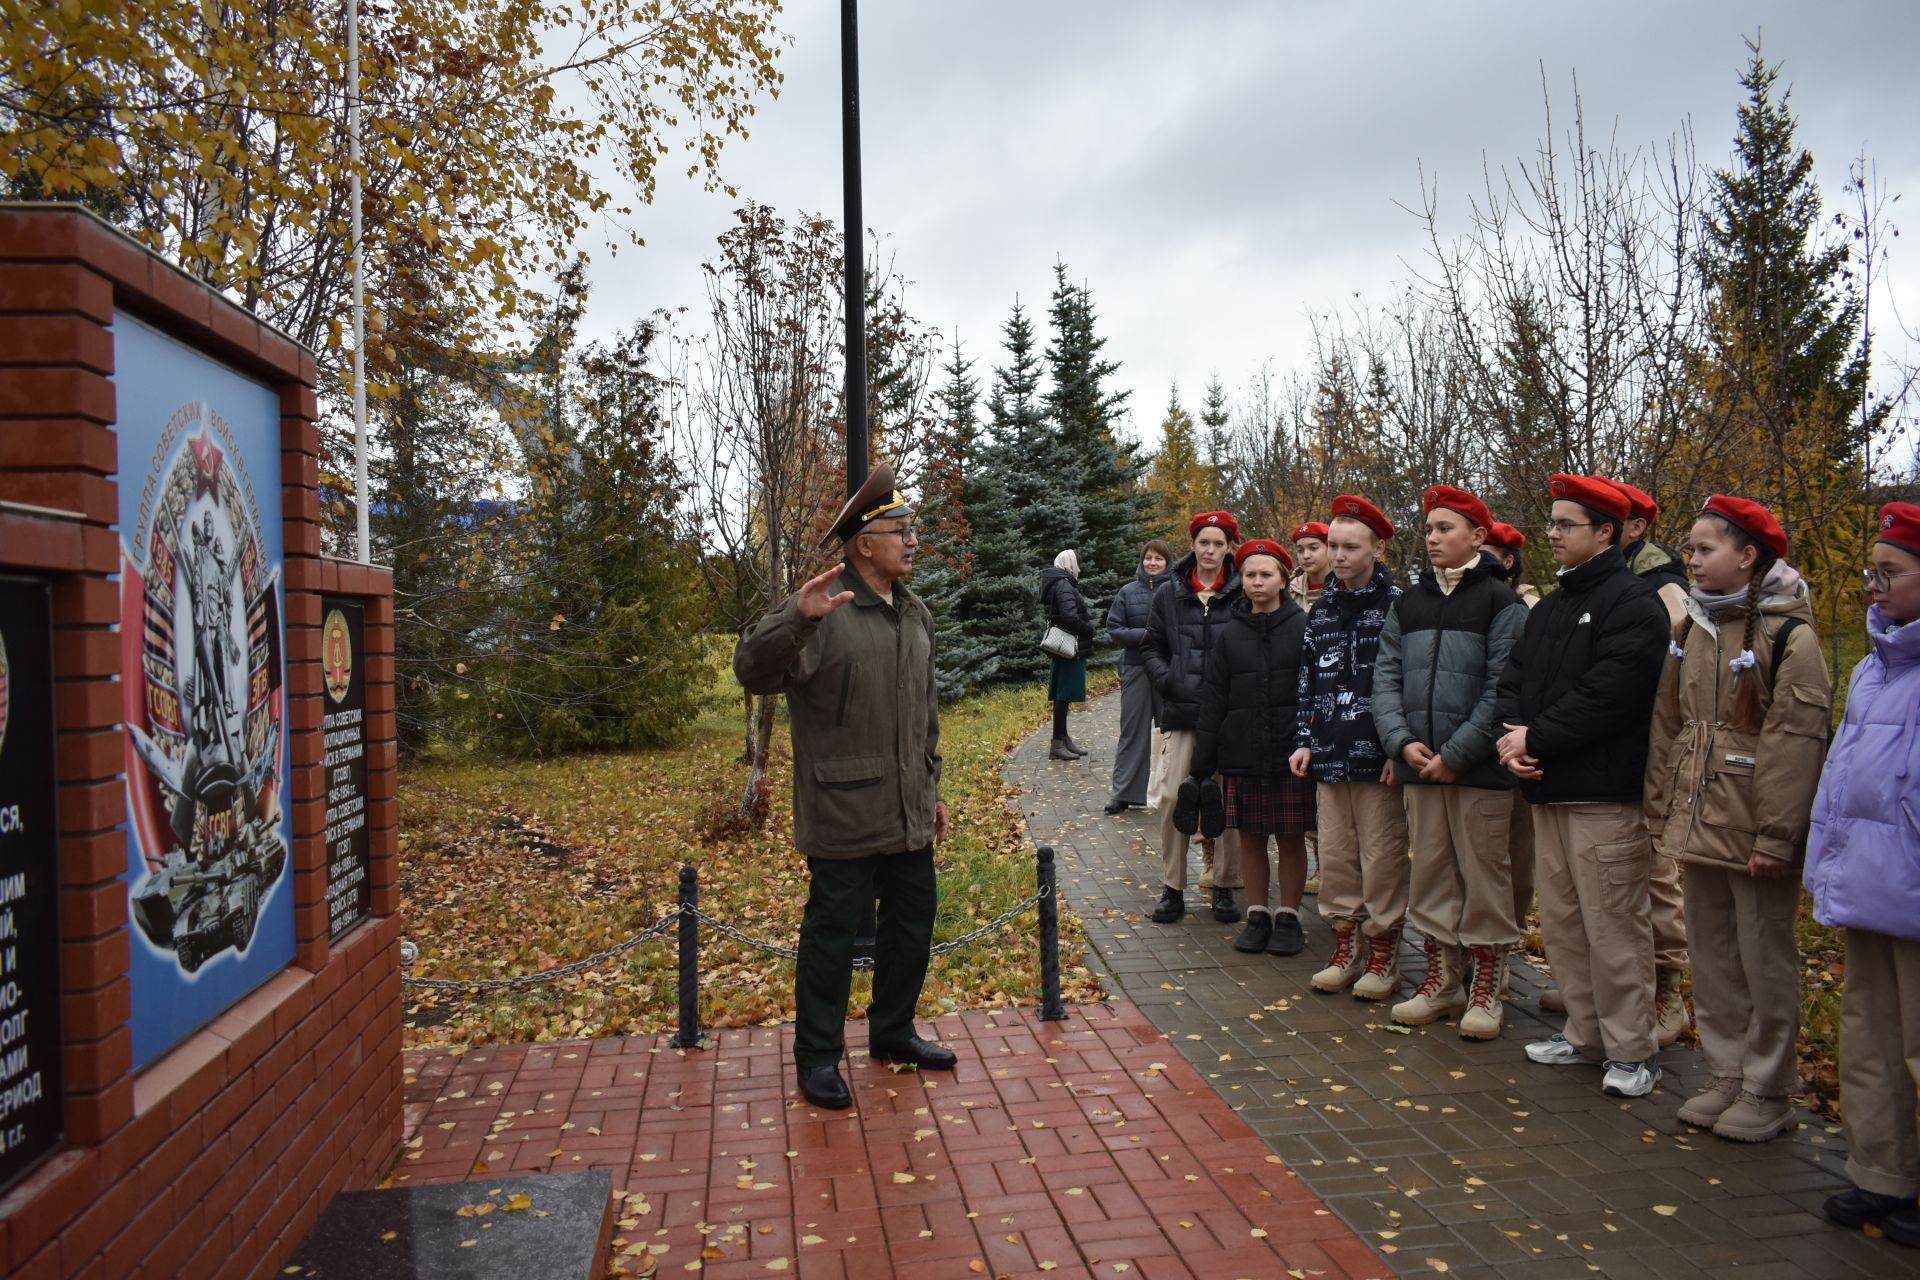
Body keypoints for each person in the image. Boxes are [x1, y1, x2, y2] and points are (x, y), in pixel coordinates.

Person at [733, 464, 952, 1111]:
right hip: (843, 811)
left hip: (909, 808)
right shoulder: (826, 610)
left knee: (911, 930)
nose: (913, 540)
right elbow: (752, 670)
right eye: (900, 530)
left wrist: (933, 791)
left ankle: (892, 1032)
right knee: (831, 941)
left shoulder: (916, 615)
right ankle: (819, 1057)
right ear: (864, 544)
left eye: (913, 529)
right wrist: (794, 619)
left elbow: (926, 716)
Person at [1645, 495, 1829, 1143]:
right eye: (1690, 548)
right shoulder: (1694, 626)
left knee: (1763, 960)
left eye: (1704, 548)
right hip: (1699, 824)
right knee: (1715, 957)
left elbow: (1796, 743)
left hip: (1754, 833)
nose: (1690, 559)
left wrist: (1777, 836)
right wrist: (1660, 811)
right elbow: (1670, 725)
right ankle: (1726, 1073)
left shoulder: (1790, 636)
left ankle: (1768, 1087)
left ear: (1748, 556)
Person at [1495, 474, 1669, 1098]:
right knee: (1566, 923)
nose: (1553, 533)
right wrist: (1510, 739)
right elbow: (1513, 680)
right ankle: (1586, 1035)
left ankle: (1633, 1051)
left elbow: (1611, 695)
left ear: (1606, 532)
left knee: (1613, 924)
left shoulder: (1634, 603)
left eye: (1566, 524)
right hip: (1547, 786)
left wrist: (1532, 737)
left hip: (1603, 795)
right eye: (1552, 523)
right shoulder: (1553, 606)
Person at [1373, 485, 1528, 1038]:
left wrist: (1458, 754)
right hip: (1420, 765)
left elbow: (1504, 687)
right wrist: (1400, 740)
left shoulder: (1502, 604)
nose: (1433, 538)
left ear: (1478, 537)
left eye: (1446, 529)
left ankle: (1488, 984)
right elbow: (1386, 677)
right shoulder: (1407, 604)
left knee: (1485, 875)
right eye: (1430, 529)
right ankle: (1442, 980)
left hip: (1478, 771)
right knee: (1433, 872)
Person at [1806, 501, 1920, 1244]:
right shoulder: (1876, 669)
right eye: (1872, 572)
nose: (1875, 588)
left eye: (1892, 573)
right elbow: (1842, 780)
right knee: (1872, 1036)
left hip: (1911, 885)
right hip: (1870, 886)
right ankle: (1883, 1173)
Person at [1291, 496, 1409, 999]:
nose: (1337, 556)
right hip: (1329, 753)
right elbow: (1308, 680)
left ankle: (1383, 954)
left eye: (1349, 547)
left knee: (1381, 857)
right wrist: (1303, 739)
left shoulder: (1401, 606)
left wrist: (1398, 750)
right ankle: (1345, 945)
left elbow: (1407, 683)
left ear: (1378, 548)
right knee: (1337, 857)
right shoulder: (1322, 611)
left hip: (1378, 757)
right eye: (1333, 546)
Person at [1186, 539, 1315, 955]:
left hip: (1289, 751)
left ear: (1282, 579)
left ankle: (1289, 917)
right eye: (1251, 575)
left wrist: (1308, 740)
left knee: (1291, 836)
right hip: (1241, 749)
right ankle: (1257, 913)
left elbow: (1313, 692)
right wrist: (1202, 761)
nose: (1258, 582)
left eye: (1267, 574)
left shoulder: (1303, 627)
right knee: (1251, 837)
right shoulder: (1230, 633)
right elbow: (1214, 697)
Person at [1605, 478, 1693, 1048]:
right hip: (1608, 749)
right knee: (1609, 877)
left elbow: (1672, 681)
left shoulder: (1663, 587)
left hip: (1651, 752)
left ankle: (1668, 992)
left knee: (1656, 874)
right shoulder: (1604, 584)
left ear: (1635, 528)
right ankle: (1617, 987)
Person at [1144, 511, 1245, 924]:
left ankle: (1224, 886)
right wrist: (1169, 682)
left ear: (1228, 548)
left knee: (1227, 803)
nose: (1210, 550)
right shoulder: (1169, 593)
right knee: (1172, 799)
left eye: (1218, 544)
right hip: (1183, 714)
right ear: (1193, 545)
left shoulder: (1242, 591)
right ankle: (1173, 888)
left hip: (1228, 717)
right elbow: (1151, 647)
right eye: (1204, 542)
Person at [1487, 520, 1545, 1003]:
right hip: (1469, 754)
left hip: (1517, 751)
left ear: (1507, 560)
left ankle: (1499, 960)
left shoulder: (1532, 608)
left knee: (1516, 861)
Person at [1104, 539, 1172, 814]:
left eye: (1159, 558)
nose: (1152, 563)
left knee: (1172, 732)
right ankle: (1124, 793)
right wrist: (1145, 636)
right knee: (1132, 731)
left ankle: (1173, 791)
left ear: (1168, 562)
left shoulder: (1176, 591)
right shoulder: (1128, 592)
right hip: (1136, 667)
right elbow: (1114, 628)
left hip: (1168, 668)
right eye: (1148, 558)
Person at [1290, 520, 1331, 894]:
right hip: (1299, 695)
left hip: (1334, 696)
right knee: (1304, 789)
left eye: (1313, 547)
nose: (1306, 555)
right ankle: (1315, 865)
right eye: (1301, 549)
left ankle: (1326, 865)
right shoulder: (1290, 592)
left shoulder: (1339, 589)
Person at [1041, 549, 1095, 762]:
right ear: (1070, 564)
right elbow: (1069, 616)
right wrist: (1087, 628)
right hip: (1069, 648)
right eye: (1078, 564)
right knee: (1063, 695)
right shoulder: (1063, 584)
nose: (1079, 569)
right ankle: (1057, 743)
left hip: (1065, 647)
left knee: (1062, 695)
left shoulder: (1060, 582)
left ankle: (1063, 738)